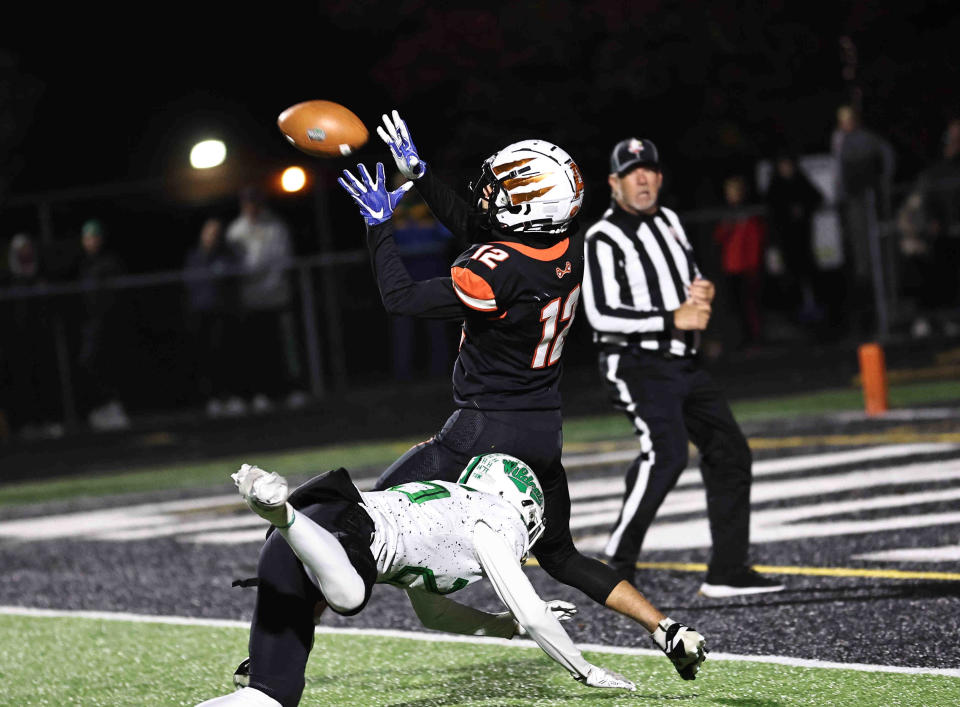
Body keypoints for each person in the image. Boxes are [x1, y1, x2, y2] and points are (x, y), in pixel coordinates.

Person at [334, 110, 705, 668]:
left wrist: (377, 226)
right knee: (560, 554)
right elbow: (481, 231)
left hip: (482, 428)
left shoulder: (495, 269)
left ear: (527, 211)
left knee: (353, 521)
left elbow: (401, 299)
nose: (488, 195)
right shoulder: (563, 250)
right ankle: (667, 627)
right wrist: (419, 175)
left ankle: (273, 658)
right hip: (542, 430)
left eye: (503, 190)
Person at [196, 454, 706, 706]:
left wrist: (506, 627)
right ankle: (279, 511)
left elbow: (434, 611)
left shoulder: (452, 509)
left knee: (271, 697)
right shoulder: (493, 517)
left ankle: (281, 515)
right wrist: (583, 669)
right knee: (350, 594)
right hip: (335, 528)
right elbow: (532, 609)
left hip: (301, 545)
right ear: (519, 500)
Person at [581, 137, 784, 598]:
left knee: (730, 451)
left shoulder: (670, 220)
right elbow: (599, 315)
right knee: (667, 452)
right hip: (634, 363)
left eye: (649, 169)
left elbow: (688, 276)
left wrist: (700, 292)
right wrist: (671, 317)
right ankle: (617, 563)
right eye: (632, 172)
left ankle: (726, 570)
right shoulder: (603, 237)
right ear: (614, 183)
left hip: (683, 362)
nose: (643, 178)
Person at [226, 185, 307, 413]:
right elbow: (237, 265)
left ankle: (293, 390)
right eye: (247, 203)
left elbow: (281, 261)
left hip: (277, 299)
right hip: (251, 302)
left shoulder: (276, 227)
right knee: (257, 350)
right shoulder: (236, 230)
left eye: (255, 203)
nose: (251, 208)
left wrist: (264, 285)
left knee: (285, 348)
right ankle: (261, 394)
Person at [831, 104, 897, 335]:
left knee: (871, 261)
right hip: (850, 207)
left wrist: (883, 185)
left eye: (849, 119)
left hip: (866, 204)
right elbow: (839, 172)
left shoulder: (864, 139)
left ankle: (880, 317)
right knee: (859, 264)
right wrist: (840, 197)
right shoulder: (840, 140)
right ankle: (866, 318)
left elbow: (886, 155)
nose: (845, 124)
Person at [0, 233, 62, 439]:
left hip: (40, 339)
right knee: (21, 381)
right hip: (17, 342)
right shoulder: (9, 279)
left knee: (44, 379)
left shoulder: (40, 276)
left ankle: (47, 421)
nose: (24, 253)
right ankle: (25, 424)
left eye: (27, 248)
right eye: (20, 250)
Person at [183, 218, 243, 417]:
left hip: (222, 314)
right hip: (201, 315)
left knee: (226, 356)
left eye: (216, 234)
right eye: (209, 233)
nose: (212, 238)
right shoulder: (195, 257)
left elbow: (232, 277)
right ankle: (211, 400)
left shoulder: (226, 256)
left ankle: (229, 396)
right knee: (206, 359)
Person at [74, 219, 130, 431]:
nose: (91, 242)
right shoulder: (82, 264)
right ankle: (101, 407)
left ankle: (113, 407)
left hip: (109, 323)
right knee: (89, 364)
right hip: (90, 324)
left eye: (94, 237)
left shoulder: (110, 262)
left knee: (110, 364)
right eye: (87, 238)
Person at [763, 153, 825, 326]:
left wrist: (803, 209)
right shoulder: (775, 186)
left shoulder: (801, 181)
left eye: (789, 165)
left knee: (810, 274)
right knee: (790, 276)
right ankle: (795, 315)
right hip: (786, 241)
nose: (787, 169)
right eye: (783, 165)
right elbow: (772, 207)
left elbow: (817, 197)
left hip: (804, 239)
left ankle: (815, 311)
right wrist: (787, 212)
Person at [712, 175, 768, 348]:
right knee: (735, 305)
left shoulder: (750, 213)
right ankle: (740, 338)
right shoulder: (726, 214)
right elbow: (718, 237)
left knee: (751, 303)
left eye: (736, 190)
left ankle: (755, 338)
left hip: (749, 265)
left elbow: (756, 237)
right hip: (732, 265)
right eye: (729, 191)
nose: (733, 194)